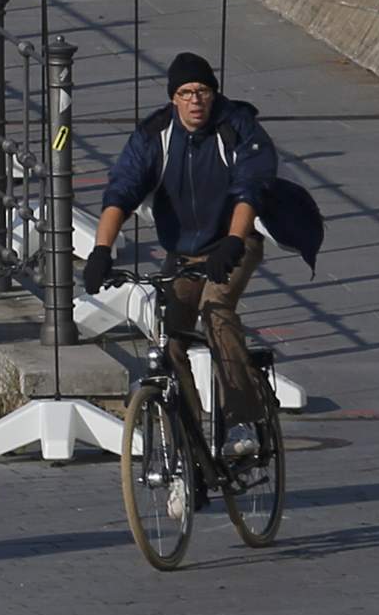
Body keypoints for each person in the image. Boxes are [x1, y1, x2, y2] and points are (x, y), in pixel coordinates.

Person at [80, 50, 278, 407]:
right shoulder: (155, 135)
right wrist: (101, 251)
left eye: (202, 90)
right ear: (174, 98)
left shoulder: (236, 126)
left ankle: (241, 419)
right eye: (186, 93)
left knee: (215, 310)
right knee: (168, 339)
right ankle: (185, 443)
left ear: (214, 93)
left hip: (234, 241)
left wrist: (234, 241)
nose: (195, 100)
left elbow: (252, 184)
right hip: (184, 252)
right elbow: (121, 191)